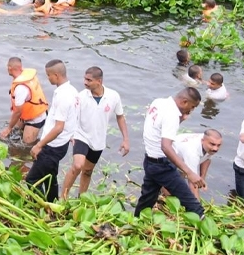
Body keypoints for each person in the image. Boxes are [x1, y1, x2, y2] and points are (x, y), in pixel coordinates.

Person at [133, 87, 204, 218]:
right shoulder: (171, 114)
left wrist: (181, 119)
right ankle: (206, 229)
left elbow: (159, 128)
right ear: (184, 101)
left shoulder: (159, 102)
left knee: (146, 200)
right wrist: (189, 173)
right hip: (162, 165)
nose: (191, 110)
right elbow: (166, 147)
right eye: (192, 106)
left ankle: (136, 222)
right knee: (192, 203)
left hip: (150, 160)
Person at [60, 67, 130, 199]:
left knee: (87, 171)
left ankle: (82, 199)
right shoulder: (80, 97)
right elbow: (72, 116)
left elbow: (120, 116)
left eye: (89, 80)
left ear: (99, 81)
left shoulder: (113, 96)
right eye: (84, 79)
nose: (85, 82)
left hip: (98, 140)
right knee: (77, 166)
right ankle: (63, 197)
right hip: (81, 135)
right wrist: (70, 134)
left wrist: (125, 139)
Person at [25, 60, 78, 202]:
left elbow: (59, 127)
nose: (47, 78)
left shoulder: (63, 96)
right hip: (62, 144)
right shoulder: (72, 91)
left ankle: (42, 206)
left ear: (56, 75)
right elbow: (74, 117)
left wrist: (39, 145)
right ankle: (52, 202)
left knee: (32, 179)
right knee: (50, 176)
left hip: (53, 146)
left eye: (48, 75)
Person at [0, 57, 48, 145]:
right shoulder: (24, 77)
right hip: (27, 113)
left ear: (9, 68)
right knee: (16, 130)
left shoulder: (20, 88)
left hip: (35, 118)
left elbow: (18, 112)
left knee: (27, 145)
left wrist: (8, 128)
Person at [172, 130, 222, 199]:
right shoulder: (192, 153)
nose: (215, 149)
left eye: (218, 145)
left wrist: (202, 177)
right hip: (167, 157)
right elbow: (193, 182)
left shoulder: (208, 142)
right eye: (213, 144)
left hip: (182, 157)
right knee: (172, 187)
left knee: (181, 180)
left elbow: (207, 159)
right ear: (202, 140)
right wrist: (198, 206)